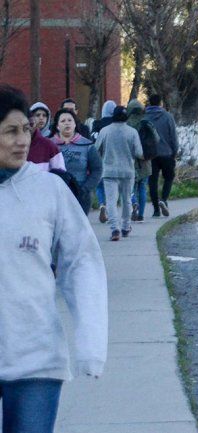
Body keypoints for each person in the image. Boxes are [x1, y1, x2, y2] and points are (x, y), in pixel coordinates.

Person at [0, 84, 107, 433]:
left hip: (37, 359)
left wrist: (91, 344)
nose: (22, 141)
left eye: (25, 130)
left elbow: (82, 262)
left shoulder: (48, 190)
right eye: (10, 131)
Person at [95, 105, 143, 241]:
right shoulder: (132, 132)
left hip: (109, 171)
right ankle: (126, 227)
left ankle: (115, 229)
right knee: (126, 200)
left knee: (111, 201)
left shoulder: (105, 131)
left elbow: (96, 149)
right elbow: (139, 153)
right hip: (128, 171)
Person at [49, 109, 103, 214]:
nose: (67, 123)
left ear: (75, 124)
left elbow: (97, 169)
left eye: (70, 120)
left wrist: (85, 189)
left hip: (81, 195)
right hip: (56, 196)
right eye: (63, 121)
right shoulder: (49, 144)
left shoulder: (87, 145)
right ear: (57, 126)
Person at [145, 94, 179, 218]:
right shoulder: (167, 116)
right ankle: (163, 199)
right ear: (160, 103)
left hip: (150, 154)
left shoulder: (144, 117)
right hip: (166, 153)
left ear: (149, 103)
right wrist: (174, 151)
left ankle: (155, 210)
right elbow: (173, 137)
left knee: (152, 181)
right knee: (169, 177)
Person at [127, 99, 159, 223]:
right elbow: (157, 139)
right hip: (146, 160)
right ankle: (141, 215)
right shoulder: (147, 123)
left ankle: (133, 203)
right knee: (142, 188)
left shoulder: (127, 124)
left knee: (131, 187)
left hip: (131, 160)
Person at [92, 100, 116, 224]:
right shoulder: (117, 125)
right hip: (113, 160)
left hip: (99, 159)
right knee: (112, 187)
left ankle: (102, 204)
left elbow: (92, 141)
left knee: (100, 185)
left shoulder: (97, 124)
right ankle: (111, 213)